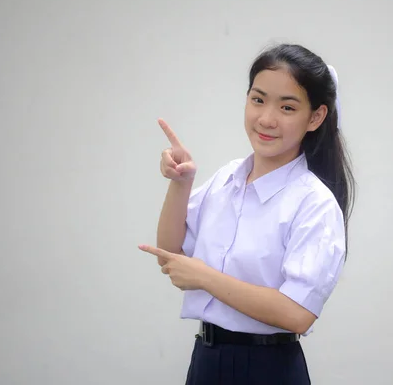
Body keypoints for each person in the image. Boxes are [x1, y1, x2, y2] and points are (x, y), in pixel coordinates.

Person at [139, 43, 355, 385]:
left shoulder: (313, 203)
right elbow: (170, 251)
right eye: (258, 99)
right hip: (207, 359)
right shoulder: (227, 179)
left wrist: (205, 277)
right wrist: (182, 182)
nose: (267, 119)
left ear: (315, 117)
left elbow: (297, 314)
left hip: (268, 367)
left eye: (287, 106)